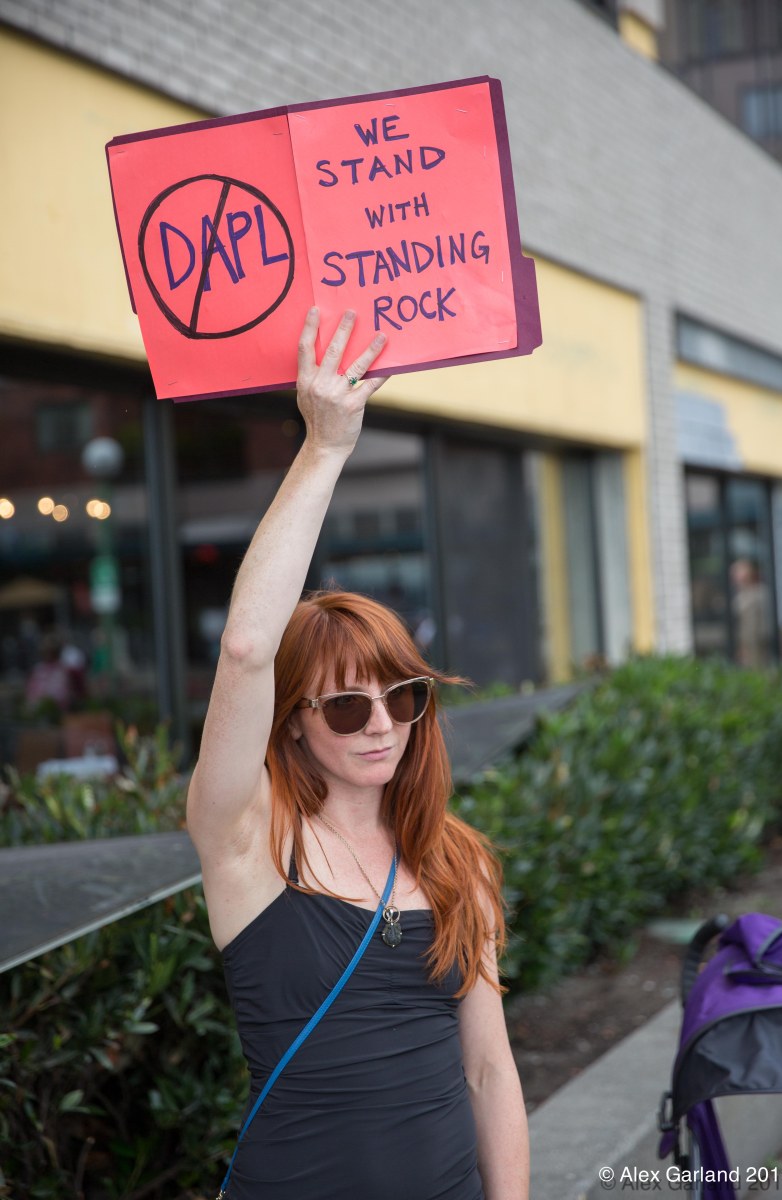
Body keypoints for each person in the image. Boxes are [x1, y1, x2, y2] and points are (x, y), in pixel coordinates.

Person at [186, 308, 530, 1200]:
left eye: (402, 696)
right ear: (294, 723)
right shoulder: (250, 844)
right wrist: (325, 447)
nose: (381, 724)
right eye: (345, 706)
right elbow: (247, 650)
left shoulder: (457, 860)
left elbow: (489, 1071)